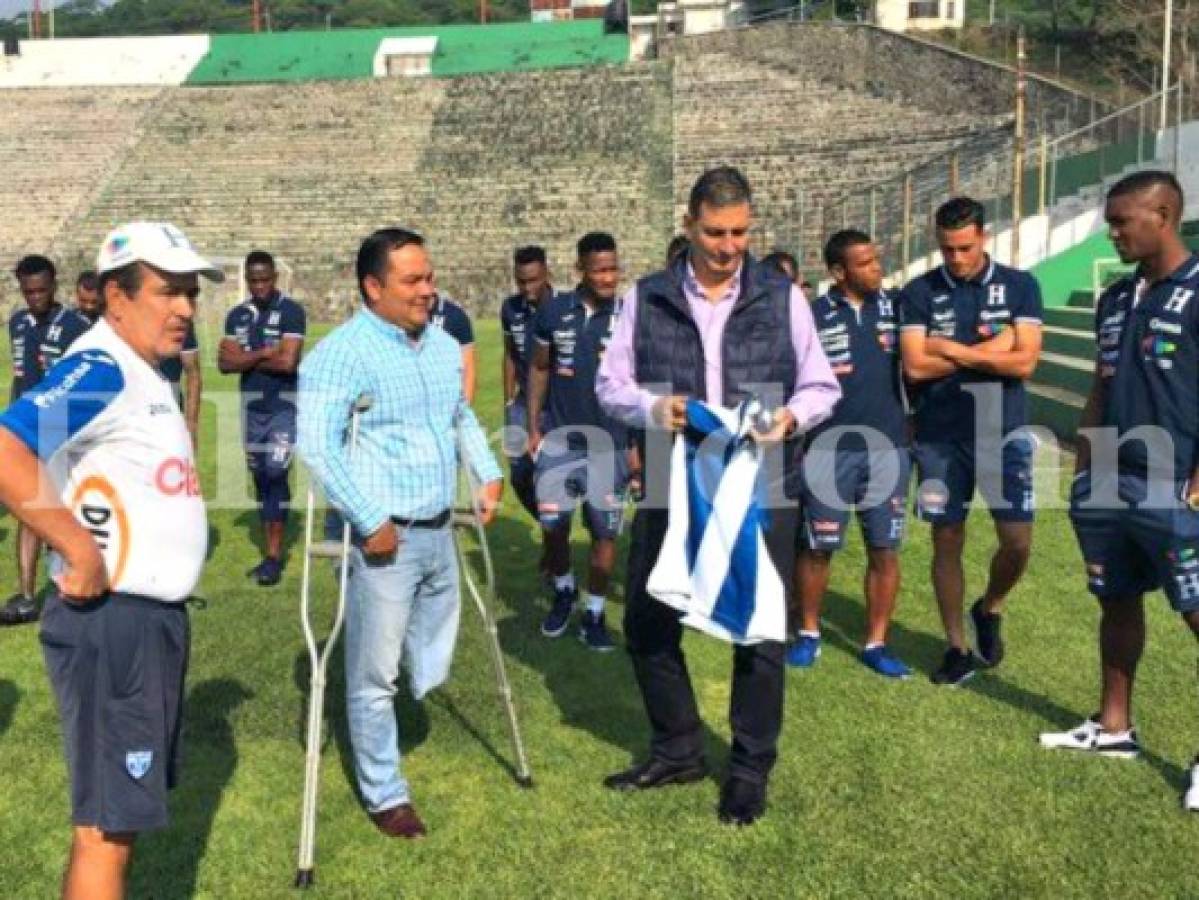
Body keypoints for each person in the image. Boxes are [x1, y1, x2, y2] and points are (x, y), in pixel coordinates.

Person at [597, 166, 840, 825]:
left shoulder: (781, 294)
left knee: (758, 632)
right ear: (688, 225)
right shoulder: (644, 297)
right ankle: (677, 748)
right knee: (647, 623)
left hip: (758, 485)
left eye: (738, 232)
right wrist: (655, 407)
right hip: (669, 478)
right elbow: (609, 385)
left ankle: (748, 768)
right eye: (714, 232)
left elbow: (819, 386)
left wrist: (788, 420)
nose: (728, 246)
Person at [0, 221, 219, 899]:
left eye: (190, 292)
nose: (185, 306)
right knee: (104, 829)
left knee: (114, 820)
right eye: (167, 292)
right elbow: (7, 450)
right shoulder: (101, 367)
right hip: (113, 623)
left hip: (145, 622)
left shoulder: (141, 369)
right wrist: (74, 544)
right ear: (116, 297)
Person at [297, 227, 503, 839]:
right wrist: (369, 519)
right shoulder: (341, 353)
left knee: (430, 659)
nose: (428, 290)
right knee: (374, 675)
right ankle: (387, 794)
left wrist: (487, 472)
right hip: (386, 539)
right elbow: (318, 445)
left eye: (430, 277)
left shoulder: (440, 346)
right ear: (372, 286)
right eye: (412, 281)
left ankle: (395, 716)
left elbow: (457, 414)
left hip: (440, 529)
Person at [1041, 171, 1199, 812]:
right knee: (1116, 600)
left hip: (1175, 487)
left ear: (1162, 216)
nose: (1112, 231)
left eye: (1121, 221)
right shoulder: (1114, 297)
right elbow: (1102, 388)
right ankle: (1114, 729)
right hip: (1109, 481)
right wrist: (1082, 466)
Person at [898, 196, 1043, 686]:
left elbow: (1025, 363)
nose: (955, 258)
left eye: (964, 247)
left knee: (1017, 543)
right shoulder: (918, 292)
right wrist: (993, 349)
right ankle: (956, 646)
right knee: (947, 538)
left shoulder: (1020, 286)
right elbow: (915, 366)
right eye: (946, 249)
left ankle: (991, 605)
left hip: (1003, 434)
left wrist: (953, 349)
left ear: (983, 236)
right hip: (939, 436)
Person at [790, 230, 911, 678]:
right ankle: (808, 633)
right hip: (827, 450)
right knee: (818, 548)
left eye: (877, 259)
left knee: (884, 549)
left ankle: (876, 642)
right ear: (838, 272)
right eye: (864, 263)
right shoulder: (811, 315)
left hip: (889, 450)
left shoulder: (898, 309)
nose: (876, 268)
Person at [526, 232, 628, 651]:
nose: (608, 278)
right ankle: (565, 591)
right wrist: (533, 425)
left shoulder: (630, 315)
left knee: (605, 534)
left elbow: (643, 384)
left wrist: (639, 445)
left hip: (613, 444)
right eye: (599, 270)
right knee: (554, 524)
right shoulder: (553, 312)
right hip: (561, 441)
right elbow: (538, 369)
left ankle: (595, 612)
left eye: (613, 268)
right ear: (580, 271)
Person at [1, 255, 90, 626]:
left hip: (62, 429)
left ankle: (83, 578)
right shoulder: (17, 323)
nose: (35, 298)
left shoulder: (76, 326)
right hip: (26, 428)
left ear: (54, 286)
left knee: (71, 506)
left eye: (41, 290)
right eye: (28, 292)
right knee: (28, 509)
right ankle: (25, 596)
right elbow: (19, 378)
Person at [218, 250, 306, 586]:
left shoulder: (291, 312)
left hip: (283, 406)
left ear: (275, 278)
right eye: (253, 281)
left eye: (265, 280)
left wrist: (245, 358)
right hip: (251, 408)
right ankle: (268, 553)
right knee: (260, 477)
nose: (259, 287)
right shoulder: (236, 316)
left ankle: (273, 556)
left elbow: (288, 364)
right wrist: (266, 352)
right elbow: (225, 365)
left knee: (276, 470)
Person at [501, 245, 558, 579]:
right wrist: (509, 400)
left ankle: (554, 546)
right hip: (522, 404)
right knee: (520, 474)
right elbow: (510, 353)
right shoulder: (510, 309)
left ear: (546, 274)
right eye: (521, 281)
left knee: (549, 476)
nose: (527, 288)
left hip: (555, 405)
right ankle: (552, 529)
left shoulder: (563, 308)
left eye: (533, 280)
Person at [160, 320, 202, 449]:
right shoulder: (124, 314)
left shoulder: (179, 320)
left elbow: (193, 373)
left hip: (168, 410)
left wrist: (191, 426)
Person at [429, 290, 476, 403]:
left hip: (448, 400)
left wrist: (465, 408)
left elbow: (468, 367)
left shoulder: (455, 315)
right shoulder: (399, 316)